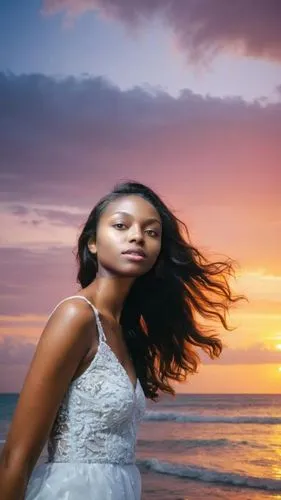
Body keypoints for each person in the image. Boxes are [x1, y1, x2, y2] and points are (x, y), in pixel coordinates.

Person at [0, 181, 247, 499]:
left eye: (152, 232)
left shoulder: (127, 331)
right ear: (92, 243)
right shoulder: (76, 316)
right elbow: (14, 459)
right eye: (121, 225)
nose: (137, 237)